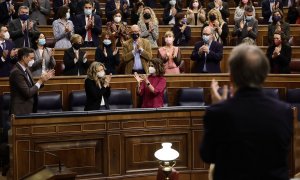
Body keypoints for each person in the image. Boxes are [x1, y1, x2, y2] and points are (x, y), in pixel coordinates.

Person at [200, 44, 293, 180]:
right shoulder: (284, 111)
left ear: (231, 78)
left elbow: (207, 155)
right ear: (264, 76)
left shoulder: (218, 112)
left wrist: (220, 109)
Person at [9, 47, 55, 115]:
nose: (33, 60)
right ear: (24, 57)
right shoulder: (16, 72)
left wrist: (43, 80)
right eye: (31, 58)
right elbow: (28, 92)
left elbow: (31, 85)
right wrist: (40, 81)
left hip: (29, 108)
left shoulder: (27, 69)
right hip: (20, 111)